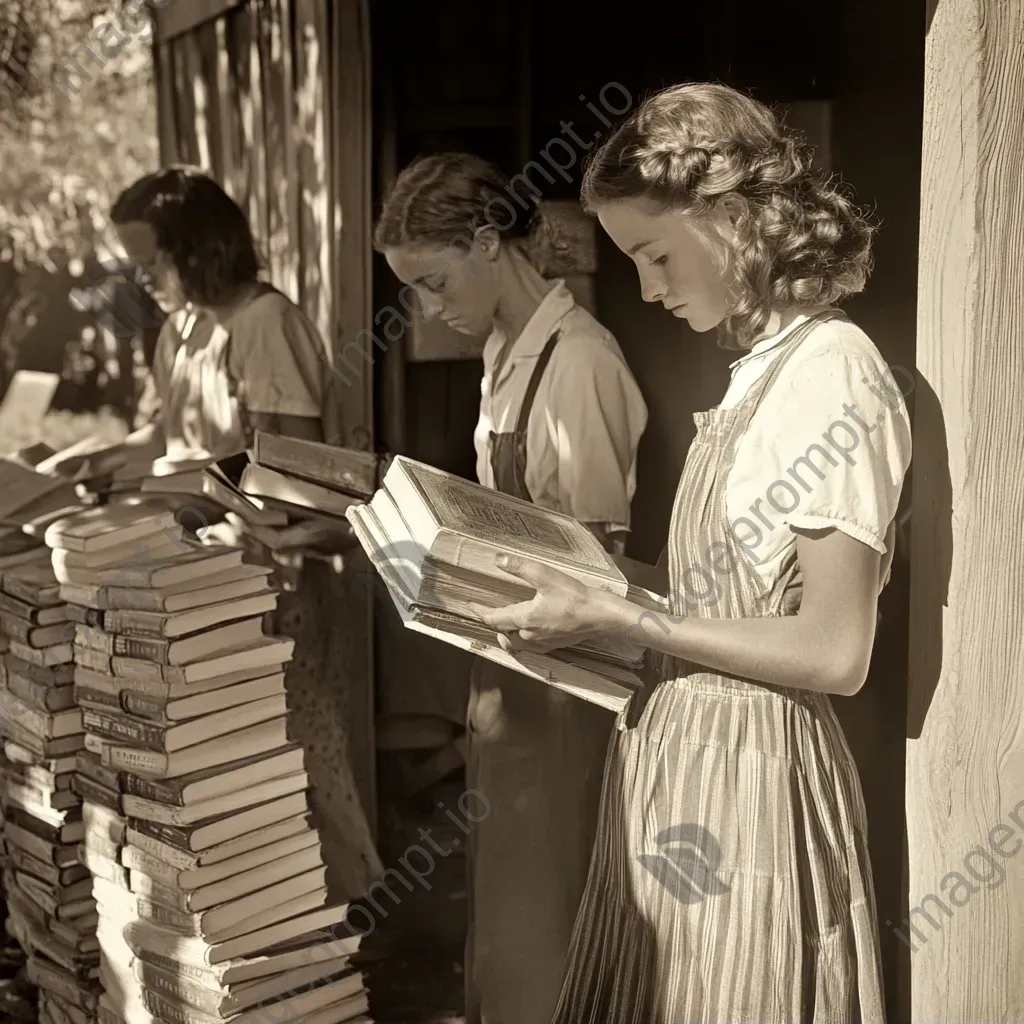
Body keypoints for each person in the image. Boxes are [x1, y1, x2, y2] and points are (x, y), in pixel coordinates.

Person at [477, 83, 912, 1023]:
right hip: (680, 761)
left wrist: (624, 615)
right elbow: (725, 600)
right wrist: (570, 585)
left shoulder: (833, 372)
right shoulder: (757, 371)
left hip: (753, 787)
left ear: (730, 217)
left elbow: (836, 650)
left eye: (655, 253)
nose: (647, 288)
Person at [52, 166, 382, 901]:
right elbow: (164, 434)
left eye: (151, 261)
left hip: (276, 574)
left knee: (301, 753)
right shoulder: (182, 327)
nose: (144, 279)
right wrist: (92, 457)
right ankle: (274, 926)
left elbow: (289, 469)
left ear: (198, 248)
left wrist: (184, 483)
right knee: (229, 759)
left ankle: (351, 914)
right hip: (201, 578)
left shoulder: (264, 323)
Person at [374, 152, 648, 1024]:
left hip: (567, 670)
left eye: (433, 280)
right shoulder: (504, 349)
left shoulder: (581, 363)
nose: (428, 307)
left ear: (490, 242)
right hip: (508, 659)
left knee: (549, 898)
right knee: (504, 896)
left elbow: (598, 558)